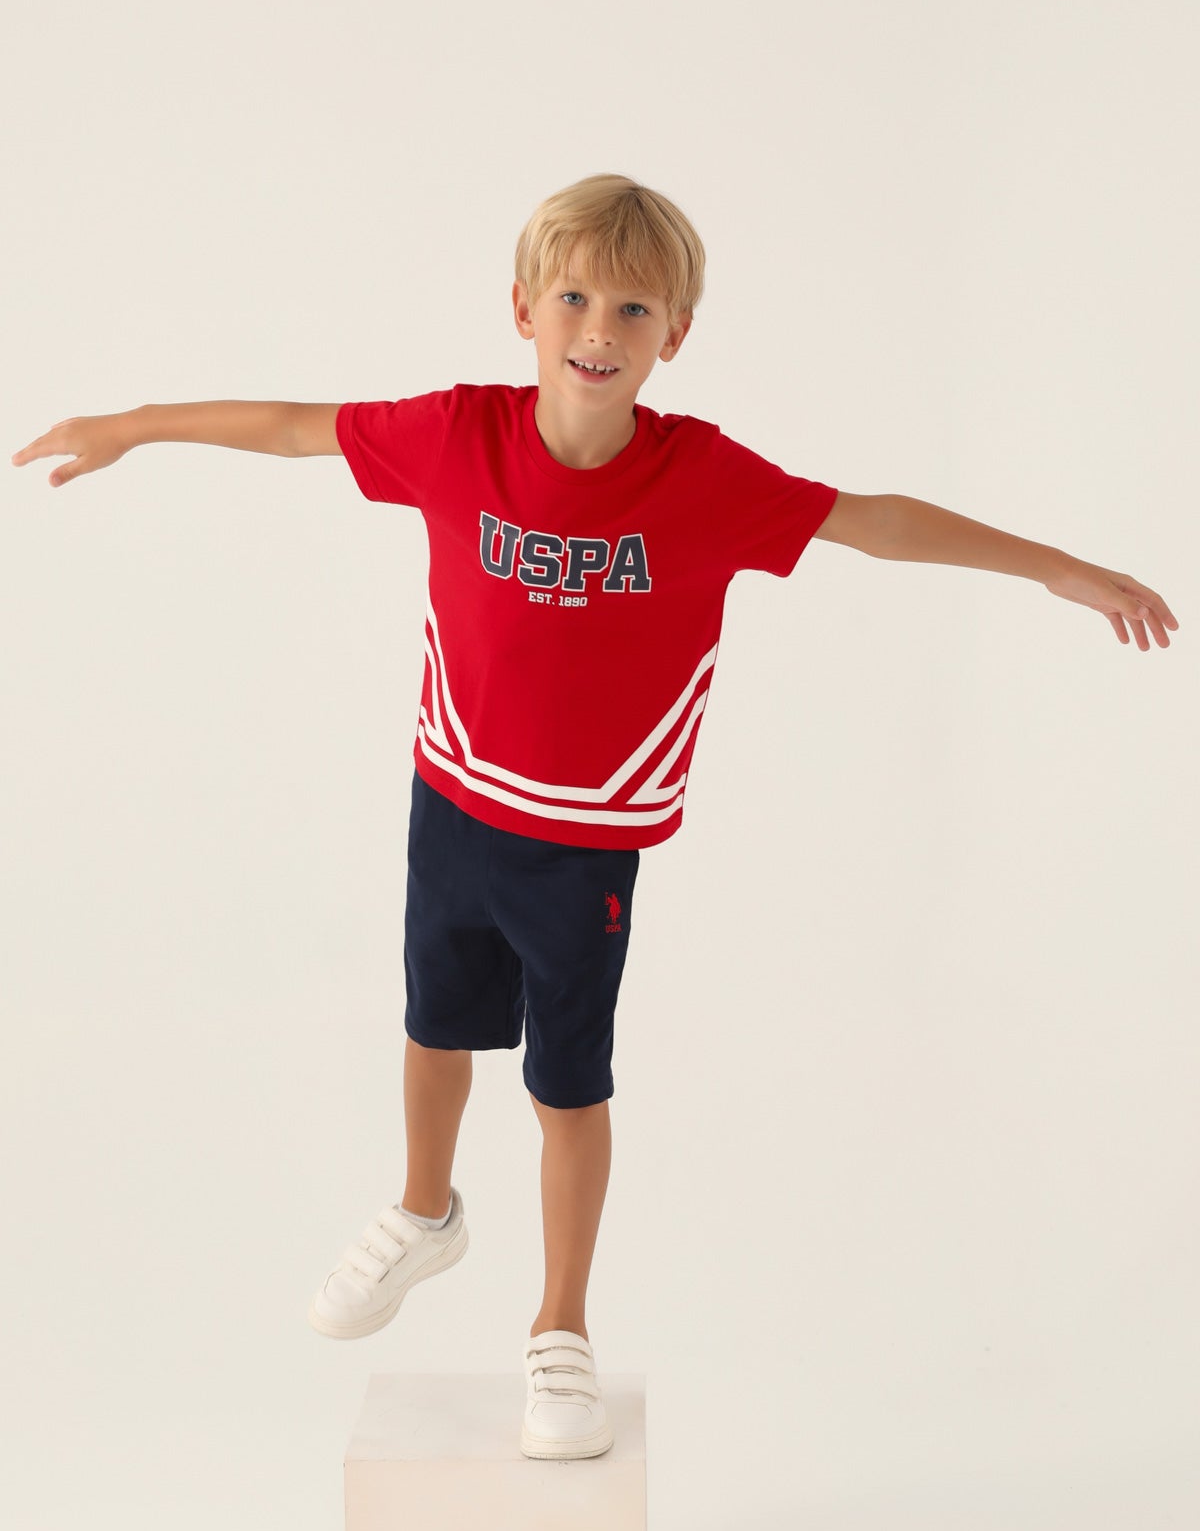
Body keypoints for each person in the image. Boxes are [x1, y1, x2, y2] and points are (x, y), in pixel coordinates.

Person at [11, 172, 1178, 1463]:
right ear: (523, 308)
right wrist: (131, 424)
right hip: (453, 800)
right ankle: (424, 1210)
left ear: (675, 333)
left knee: (567, 1083)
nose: (600, 328)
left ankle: (559, 1323)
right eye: (573, 297)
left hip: (584, 840)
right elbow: (295, 427)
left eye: (633, 308)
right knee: (434, 1028)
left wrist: (1062, 570)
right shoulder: (458, 433)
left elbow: (872, 523)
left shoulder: (702, 477)